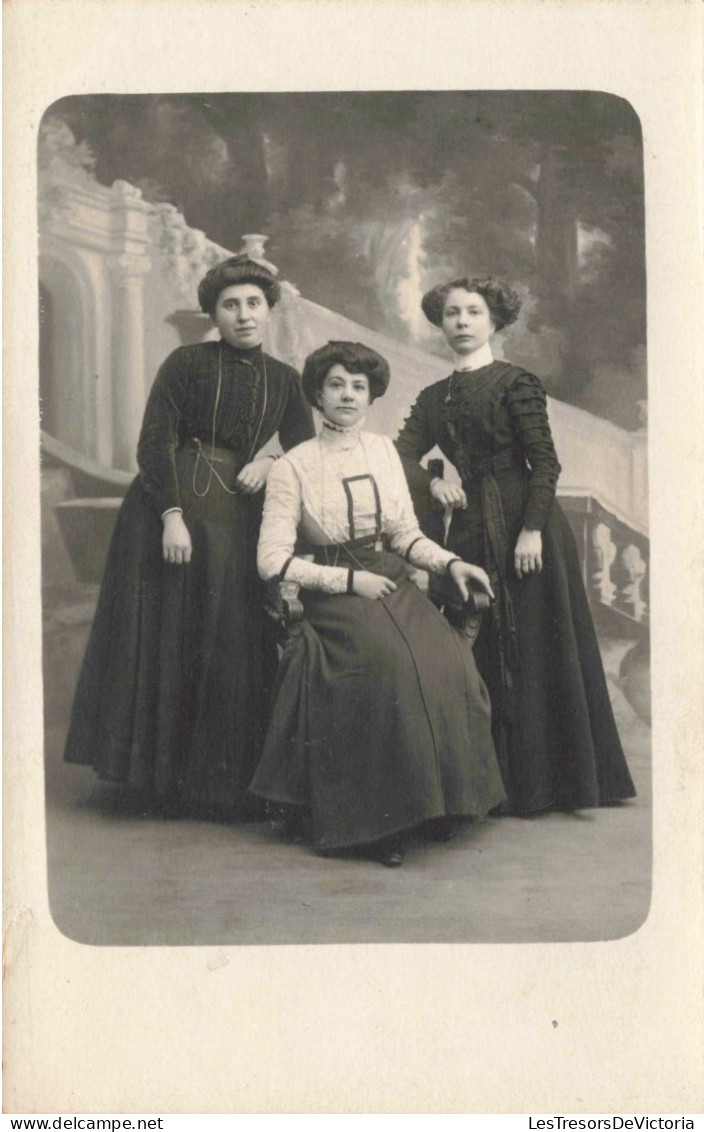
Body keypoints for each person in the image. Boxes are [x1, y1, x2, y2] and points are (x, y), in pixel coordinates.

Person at [64, 255, 315, 817]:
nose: (243, 315)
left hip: (236, 518)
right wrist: (171, 515)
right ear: (215, 313)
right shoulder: (186, 363)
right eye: (231, 306)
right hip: (169, 506)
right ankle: (155, 778)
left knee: (225, 635)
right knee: (168, 630)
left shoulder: (286, 380)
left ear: (268, 310)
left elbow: (305, 452)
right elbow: (154, 441)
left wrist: (273, 460)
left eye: (253, 304)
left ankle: (213, 783)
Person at [250, 340, 506, 866]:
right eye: (337, 385)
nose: (348, 395)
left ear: (371, 397)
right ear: (317, 395)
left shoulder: (384, 450)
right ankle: (381, 824)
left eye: (359, 387)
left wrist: (450, 563)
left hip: (391, 579)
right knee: (385, 670)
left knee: (447, 660)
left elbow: (405, 534)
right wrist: (347, 582)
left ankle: (442, 804)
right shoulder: (292, 467)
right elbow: (272, 561)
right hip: (333, 593)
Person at [395, 277, 636, 816]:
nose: (461, 321)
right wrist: (434, 483)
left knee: (533, 640)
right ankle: (494, 782)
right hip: (473, 527)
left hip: (528, 524)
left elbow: (544, 462)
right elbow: (401, 454)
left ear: (494, 322)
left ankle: (551, 782)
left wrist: (531, 529)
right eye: (452, 313)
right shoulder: (436, 397)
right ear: (440, 323)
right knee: (480, 641)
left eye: (472, 312)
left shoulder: (515, 382)